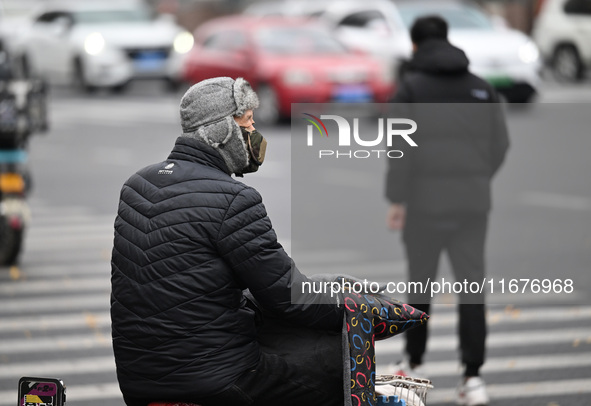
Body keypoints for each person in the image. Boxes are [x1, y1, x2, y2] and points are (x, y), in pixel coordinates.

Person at [111, 76, 429, 406]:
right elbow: (288, 297)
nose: (254, 135)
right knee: (335, 367)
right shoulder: (234, 199)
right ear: (220, 132)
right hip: (217, 379)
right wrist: (355, 310)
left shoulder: (137, 185)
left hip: (138, 381)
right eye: (247, 124)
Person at [385, 16, 510, 406]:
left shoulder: (410, 88)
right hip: (473, 203)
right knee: (472, 287)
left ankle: (414, 364)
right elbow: (500, 144)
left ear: (416, 45)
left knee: (419, 285)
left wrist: (397, 199)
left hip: (424, 205)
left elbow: (398, 150)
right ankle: (473, 378)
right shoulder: (481, 87)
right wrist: (475, 177)